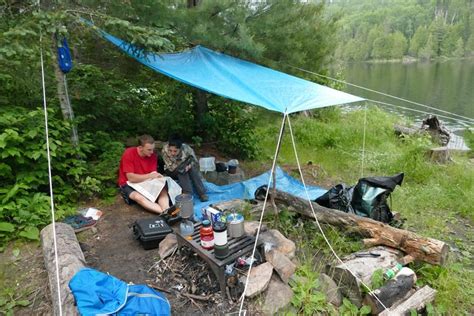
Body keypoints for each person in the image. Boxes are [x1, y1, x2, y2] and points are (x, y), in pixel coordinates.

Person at [118, 134, 170, 214]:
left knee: (162, 189)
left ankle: (167, 209)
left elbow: (153, 173)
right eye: (149, 150)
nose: (152, 152)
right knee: (138, 197)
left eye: (153, 149)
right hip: (128, 183)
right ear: (140, 148)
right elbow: (131, 178)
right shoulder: (129, 153)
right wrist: (150, 176)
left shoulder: (152, 156)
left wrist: (158, 177)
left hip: (146, 181)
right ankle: (166, 213)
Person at [162, 136, 208, 202]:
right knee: (182, 171)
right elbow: (170, 167)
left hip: (185, 166)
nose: (172, 153)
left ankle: (202, 193)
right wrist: (183, 167)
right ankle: (188, 195)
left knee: (191, 169)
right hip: (170, 169)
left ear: (180, 148)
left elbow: (194, 161)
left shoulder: (187, 149)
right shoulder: (165, 150)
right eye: (170, 150)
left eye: (175, 151)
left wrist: (189, 166)